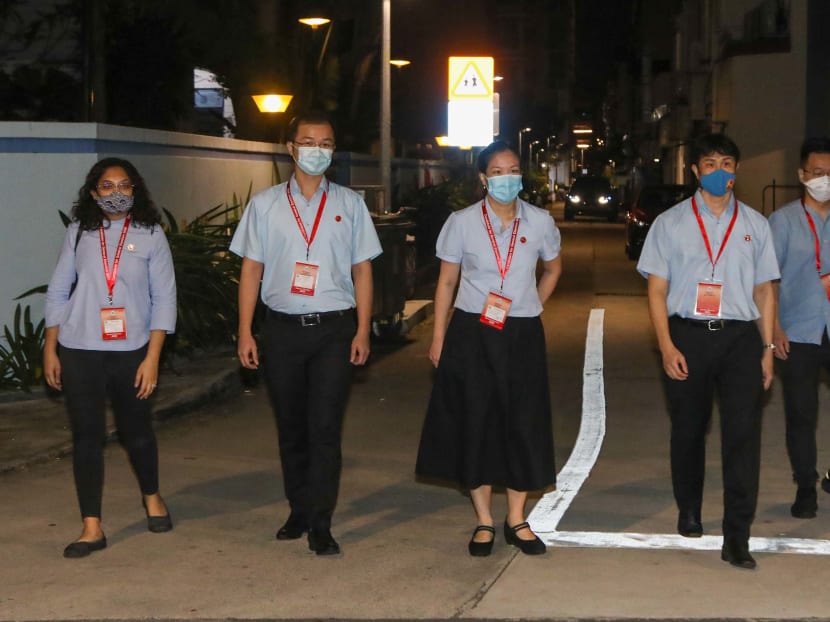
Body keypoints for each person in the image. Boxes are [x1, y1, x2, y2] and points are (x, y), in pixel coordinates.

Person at [230, 110, 382, 556]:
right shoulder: (265, 204)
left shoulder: (350, 205)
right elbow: (251, 270)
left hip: (334, 331)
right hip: (280, 331)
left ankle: (320, 520)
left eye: (327, 143)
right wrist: (245, 332)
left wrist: (362, 330)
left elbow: (363, 270)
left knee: (325, 428)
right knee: (292, 427)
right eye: (309, 142)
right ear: (291, 148)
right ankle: (298, 507)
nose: (318, 150)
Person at [637, 133, 779, 570]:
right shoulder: (670, 223)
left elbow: (764, 291)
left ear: (737, 171)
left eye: (728, 164)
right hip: (688, 336)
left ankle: (738, 536)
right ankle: (690, 508)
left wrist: (768, 347)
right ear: (695, 171)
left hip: (740, 339)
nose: (720, 172)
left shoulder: (756, 224)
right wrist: (665, 345)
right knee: (688, 429)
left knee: (742, 437)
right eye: (711, 163)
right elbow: (657, 290)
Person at [416, 140, 562, 557]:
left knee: (523, 421)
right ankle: (483, 519)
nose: (506, 178)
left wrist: (532, 303)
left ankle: (517, 518)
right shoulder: (461, 222)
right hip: (471, 332)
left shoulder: (538, 221)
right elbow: (446, 282)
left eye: (513, 169)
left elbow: (553, 269)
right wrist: (439, 336)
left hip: (521, 334)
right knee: (475, 419)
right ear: (483, 179)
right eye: (497, 172)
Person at [44, 157, 177, 559]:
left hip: (131, 350)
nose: (115, 193)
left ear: (135, 190)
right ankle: (91, 525)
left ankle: (152, 496)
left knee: (136, 432)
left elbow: (164, 298)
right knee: (87, 438)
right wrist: (51, 347)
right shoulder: (79, 233)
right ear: (92, 192)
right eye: (106, 186)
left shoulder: (151, 234)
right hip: (79, 349)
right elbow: (58, 290)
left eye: (124, 185)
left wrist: (152, 357)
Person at [769, 136, 830, 518]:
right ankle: (805, 486)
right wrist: (773, 327)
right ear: (802, 174)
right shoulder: (784, 221)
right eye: (819, 172)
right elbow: (768, 280)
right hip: (798, 331)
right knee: (802, 413)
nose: (825, 179)